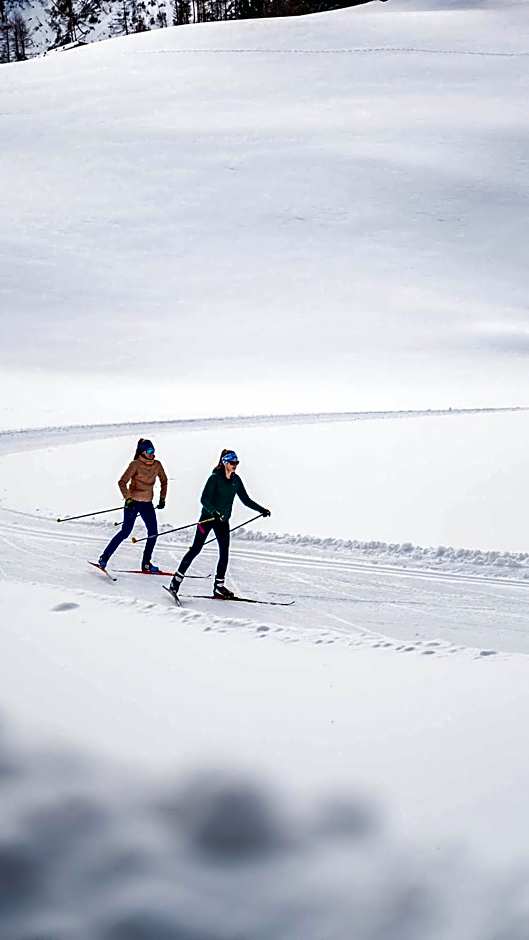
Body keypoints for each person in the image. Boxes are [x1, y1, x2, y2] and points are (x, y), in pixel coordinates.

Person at [168, 449, 270, 599]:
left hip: (223, 522)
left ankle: (219, 587)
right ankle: (175, 582)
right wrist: (214, 511)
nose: (235, 465)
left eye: (236, 462)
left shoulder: (236, 480)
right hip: (207, 520)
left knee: (224, 553)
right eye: (232, 462)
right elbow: (204, 499)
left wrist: (261, 509)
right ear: (224, 463)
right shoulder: (214, 478)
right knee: (196, 549)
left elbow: (245, 499)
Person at [98, 438, 168, 573]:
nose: (152, 453)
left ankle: (146, 564)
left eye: (153, 450)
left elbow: (164, 481)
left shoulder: (157, 465)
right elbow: (122, 482)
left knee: (153, 533)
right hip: (133, 503)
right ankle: (103, 559)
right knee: (125, 532)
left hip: (147, 504)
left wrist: (162, 498)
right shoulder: (135, 465)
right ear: (142, 452)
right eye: (149, 450)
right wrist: (128, 498)